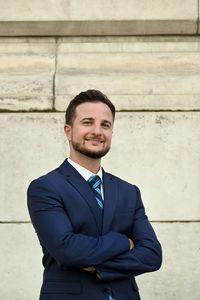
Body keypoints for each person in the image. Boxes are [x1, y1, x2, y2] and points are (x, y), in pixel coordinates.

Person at [27, 89, 162, 300]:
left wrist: (98, 267)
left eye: (105, 125)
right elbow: (68, 250)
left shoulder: (129, 192)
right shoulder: (45, 188)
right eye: (88, 122)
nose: (97, 131)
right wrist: (124, 243)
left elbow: (152, 255)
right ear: (68, 131)